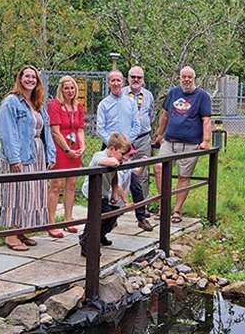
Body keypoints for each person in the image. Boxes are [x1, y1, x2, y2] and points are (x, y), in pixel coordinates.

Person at [0, 65, 56, 251]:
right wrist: (14, 159)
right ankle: (10, 235)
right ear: (20, 79)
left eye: (34, 77)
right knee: (17, 192)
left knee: (31, 194)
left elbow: (46, 130)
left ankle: (21, 230)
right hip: (19, 154)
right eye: (27, 76)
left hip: (36, 154)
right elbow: (7, 133)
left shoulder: (37, 103)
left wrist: (50, 154)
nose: (30, 80)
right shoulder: (11, 102)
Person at [152, 66, 212, 224]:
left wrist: (206, 141)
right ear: (179, 78)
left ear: (194, 78)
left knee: (183, 177)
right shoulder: (173, 93)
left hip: (190, 144)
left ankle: (177, 210)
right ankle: (163, 206)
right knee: (158, 167)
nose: (186, 80)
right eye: (183, 77)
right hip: (169, 141)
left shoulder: (202, 96)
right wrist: (159, 134)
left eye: (189, 77)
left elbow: (206, 120)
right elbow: (164, 115)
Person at [79, 132, 131, 257]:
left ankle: (99, 235)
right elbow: (108, 162)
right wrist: (116, 161)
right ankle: (87, 242)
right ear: (112, 149)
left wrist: (114, 193)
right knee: (98, 217)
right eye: (122, 154)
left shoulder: (115, 159)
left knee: (113, 213)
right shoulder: (99, 155)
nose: (123, 157)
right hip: (92, 191)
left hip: (103, 193)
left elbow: (114, 178)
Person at [46, 76, 86, 239]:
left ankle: (68, 219)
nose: (69, 91)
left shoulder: (79, 107)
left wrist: (82, 146)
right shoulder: (54, 105)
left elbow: (80, 129)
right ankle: (51, 222)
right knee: (56, 184)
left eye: (72, 88)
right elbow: (55, 131)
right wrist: (67, 149)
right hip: (61, 149)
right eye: (66, 88)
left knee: (71, 184)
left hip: (74, 149)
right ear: (61, 89)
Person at [122, 66, 155, 232]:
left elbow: (151, 115)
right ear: (128, 78)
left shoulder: (148, 95)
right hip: (125, 141)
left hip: (143, 139)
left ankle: (142, 208)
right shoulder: (121, 93)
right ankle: (119, 206)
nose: (135, 80)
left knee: (142, 174)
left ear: (143, 79)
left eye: (139, 77)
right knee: (121, 174)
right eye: (132, 76)